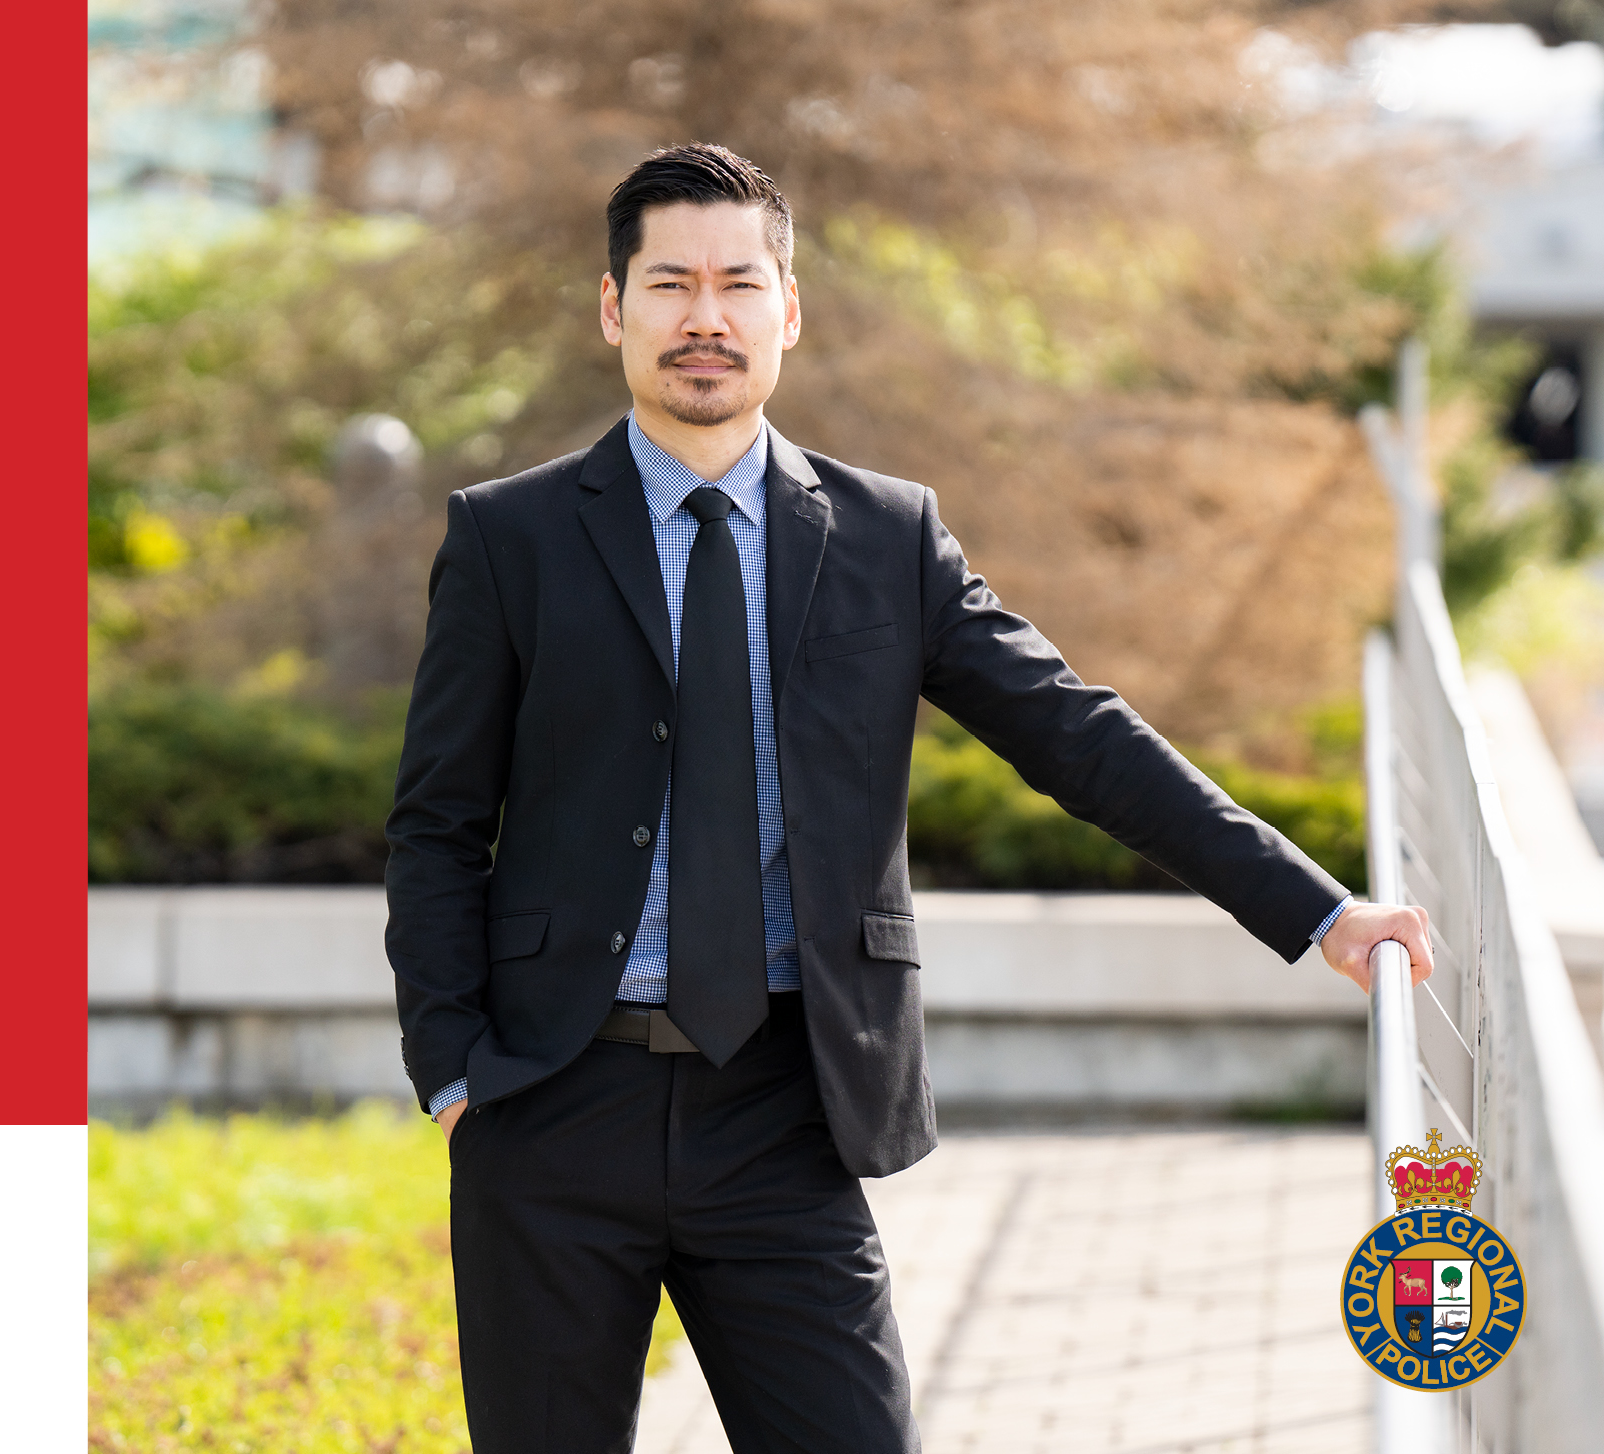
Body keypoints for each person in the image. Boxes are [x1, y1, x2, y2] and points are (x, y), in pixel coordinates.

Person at [382, 142, 1434, 1454]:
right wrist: (455, 1073)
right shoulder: (512, 536)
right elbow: (435, 820)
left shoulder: (884, 536)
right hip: (551, 1106)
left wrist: (1317, 909)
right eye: (669, 285)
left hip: (785, 1106)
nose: (705, 318)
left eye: (737, 284)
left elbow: (1075, 733)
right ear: (614, 308)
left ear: (788, 309)